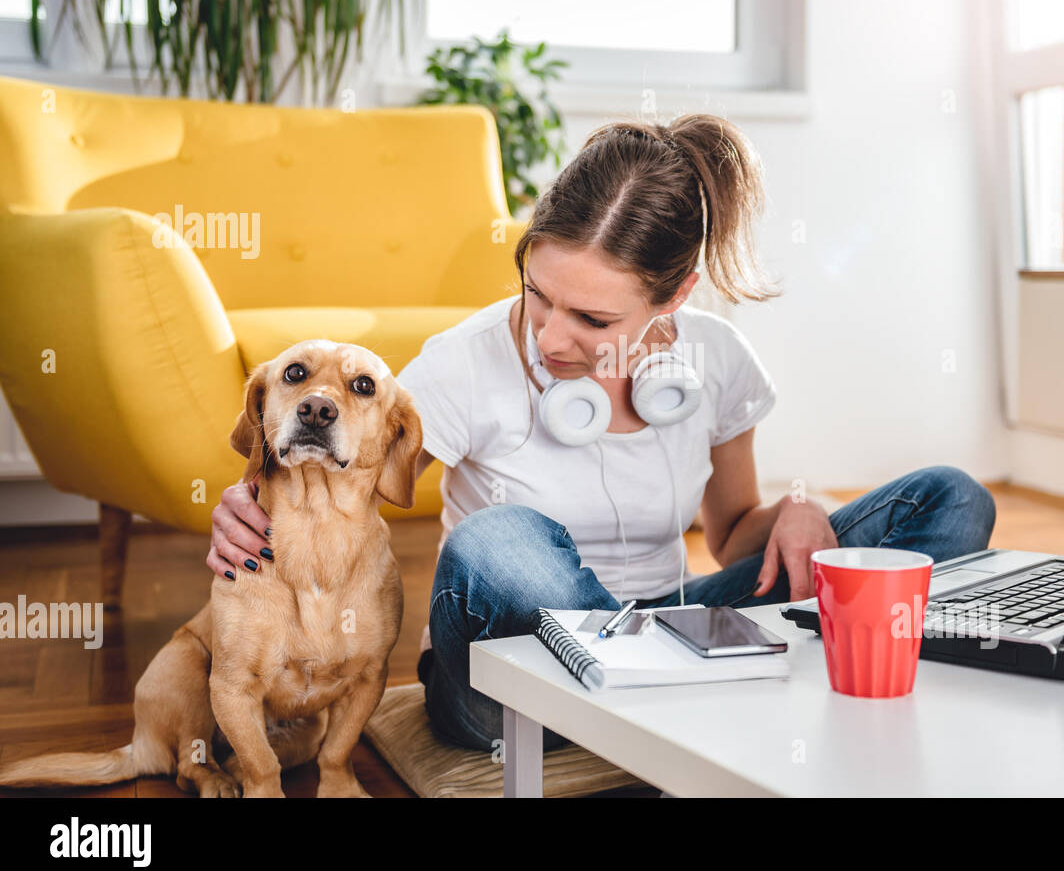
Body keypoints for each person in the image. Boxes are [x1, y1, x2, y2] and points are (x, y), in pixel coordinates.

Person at [207, 114, 997, 753]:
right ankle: (701, 693)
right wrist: (246, 508)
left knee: (951, 500)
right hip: (511, 679)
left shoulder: (717, 360)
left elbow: (730, 535)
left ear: (677, 294)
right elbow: (336, 470)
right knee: (494, 546)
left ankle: (669, 686)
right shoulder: (464, 363)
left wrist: (797, 510)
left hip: (673, 619)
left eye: (593, 317)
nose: (550, 336)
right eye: (538, 293)